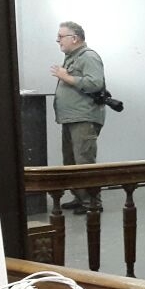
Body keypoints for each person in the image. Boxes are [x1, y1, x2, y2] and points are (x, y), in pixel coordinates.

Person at [51, 21, 107, 215]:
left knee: (84, 161)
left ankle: (92, 202)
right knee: (71, 161)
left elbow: (95, 83)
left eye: (61, 36)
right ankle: (80, 197)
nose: (58, 40)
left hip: (83, 118)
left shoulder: (88, 57)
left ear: (74, 38)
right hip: (71, 118)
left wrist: (66, 77)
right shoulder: (72, 58)